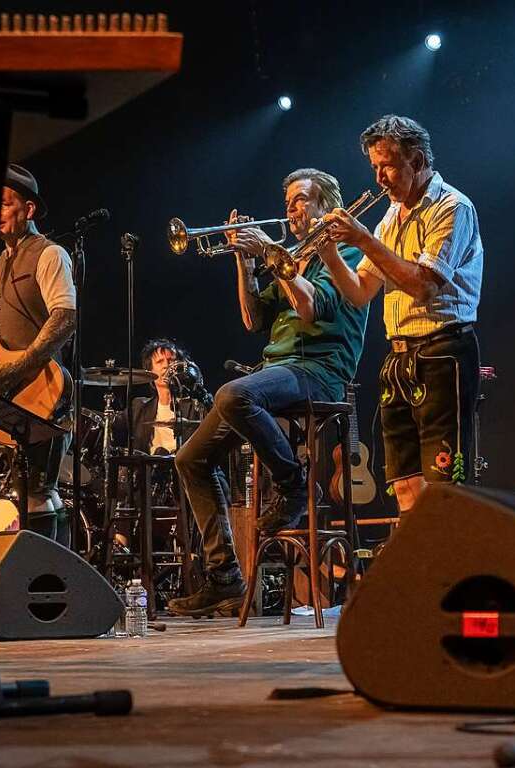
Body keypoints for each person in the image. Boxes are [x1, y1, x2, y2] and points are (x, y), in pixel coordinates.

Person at [168, 168, 368, 617]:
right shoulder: (292, 254)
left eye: (301, 200)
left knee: (233, 395)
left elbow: (311, 308)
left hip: (321, 369)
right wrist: (245, 261)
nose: (291, 209)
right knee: (190, 460)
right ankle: (224, 576)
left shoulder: (346, 251)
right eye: (289, 201)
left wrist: (274, 256)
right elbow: (253, 321)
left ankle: (294, 487)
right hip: (280, 366)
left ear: (324, 206)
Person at [320, 114, 483, 515]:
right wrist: (328, 253)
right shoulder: (391, 216)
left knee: (443, 482)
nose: (379, 178)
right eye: (375, 167)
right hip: (399, 357)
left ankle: (448, 571)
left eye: (388, 165)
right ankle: (418, 571)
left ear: (417, 159)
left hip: (443, 351)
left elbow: (423, 285)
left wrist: (362, 238)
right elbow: (359, 294)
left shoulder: (452, 207)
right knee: (405, 480)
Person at [0, 164, 76, 543]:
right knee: (18, 490)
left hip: (41, 388)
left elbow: (65, 318)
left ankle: (52, 579)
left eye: (5, 204)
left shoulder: (50, 254)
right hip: (9, 392)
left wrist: (18, 368)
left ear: (29, 209)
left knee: (40, 489)